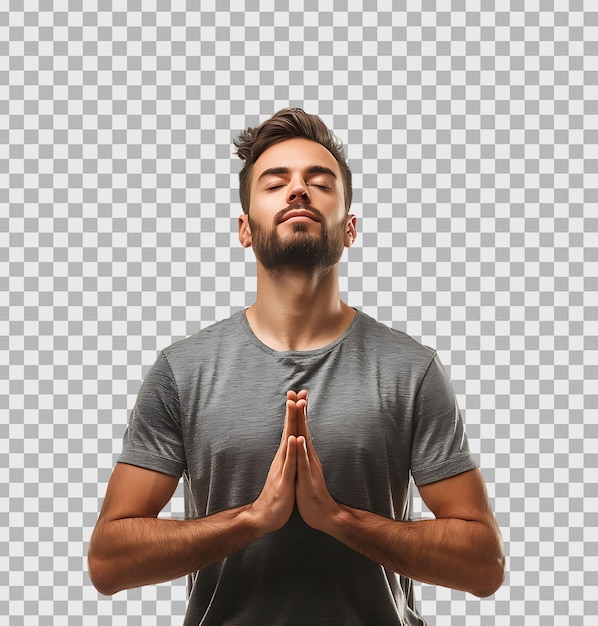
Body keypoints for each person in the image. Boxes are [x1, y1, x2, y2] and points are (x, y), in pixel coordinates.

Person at [88, 108, 505, 625]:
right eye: (275, 182)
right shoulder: (183, 370)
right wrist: (253, 520)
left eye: (319, 182)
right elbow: (108, 561)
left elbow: (485, 565)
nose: (298, 191)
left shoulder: (410, 369)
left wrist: (337, 519)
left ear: (349, 228)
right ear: (244, 228)